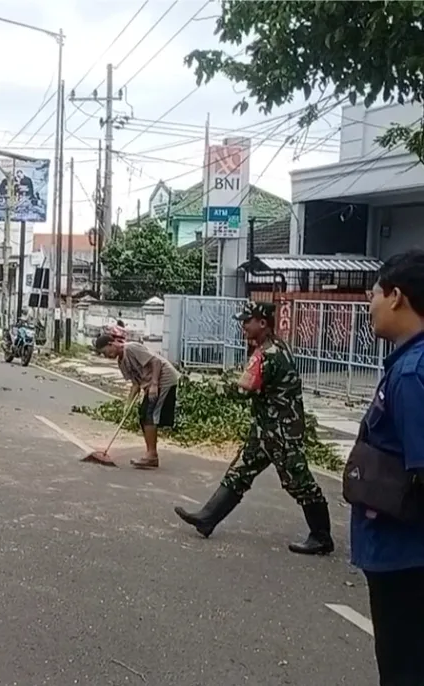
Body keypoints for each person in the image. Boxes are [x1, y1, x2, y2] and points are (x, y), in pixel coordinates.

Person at [174, 301, 332, 555]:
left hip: (280, 431)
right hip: (266, 429)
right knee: (240, 472)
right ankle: (207, 518)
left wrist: (213, 386)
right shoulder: (277, 347)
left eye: (247, 321)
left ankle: (321, 537)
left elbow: (241, 391)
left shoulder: (267, 355)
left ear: (262, 322)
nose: (243, 326)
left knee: (299, 482)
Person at [346, 250, 424, 685]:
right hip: (400, 550)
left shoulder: (412, 373)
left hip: (405, 556)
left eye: (373, 293)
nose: (369, 304)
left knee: (403, 669)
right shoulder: (408, 364)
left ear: (397, 297)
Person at [95, 332, 179, 469]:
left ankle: (152, 456)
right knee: (143, 413)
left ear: (111, 344)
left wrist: (154, 384)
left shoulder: (131, 348)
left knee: (150, 414)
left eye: (105, 352)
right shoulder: (121, 363)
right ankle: (151, 455)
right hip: (150, 383)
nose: (107, 356)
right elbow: (135, 385)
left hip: (164, 379)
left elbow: (156, 362)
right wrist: (127, 405)